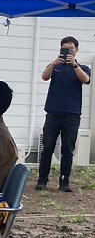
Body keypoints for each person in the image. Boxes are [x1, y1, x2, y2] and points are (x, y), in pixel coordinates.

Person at [37, 36, 91, 192]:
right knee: (47, 147)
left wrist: (74, 65)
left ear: (76, 50)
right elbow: (44, 77)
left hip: (72, 114)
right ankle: (42, 180)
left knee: (67, 149)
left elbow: (86, 80)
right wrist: (54, 63)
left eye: (71, 48)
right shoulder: (55, 66)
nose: (68, 51)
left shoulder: (82, 67)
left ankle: (64, 180)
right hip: (53, 112)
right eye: (65, 48)